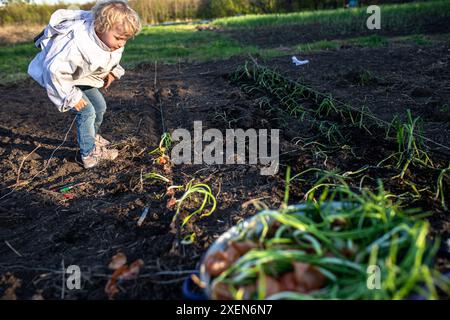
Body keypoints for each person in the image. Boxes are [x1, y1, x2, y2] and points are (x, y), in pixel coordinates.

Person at [28, 0, 141, 169]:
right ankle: (88, 154)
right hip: (62, 81)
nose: (121, 44)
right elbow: (54, 71)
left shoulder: (110, 39)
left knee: (100, 106)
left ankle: (91, 136)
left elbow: (112, 57)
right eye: (118, 38)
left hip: (81, 76)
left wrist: (112, 71)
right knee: (86, 111)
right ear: (100, 27)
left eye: (125, 39)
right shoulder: (76, 45)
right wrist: (71, 97)